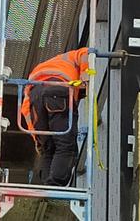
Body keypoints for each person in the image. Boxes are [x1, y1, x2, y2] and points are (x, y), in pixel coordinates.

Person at [21, 47, 89, 186]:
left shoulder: (42, 70)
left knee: (48, 148)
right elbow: (86, 52)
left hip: (36, 97)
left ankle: (47, 187)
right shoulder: (70, 57)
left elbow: (26, 111)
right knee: (65, 144)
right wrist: (86, 75)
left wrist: (38, 140)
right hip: (58, 90)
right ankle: (56, 186)